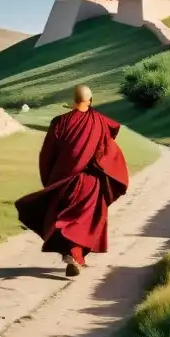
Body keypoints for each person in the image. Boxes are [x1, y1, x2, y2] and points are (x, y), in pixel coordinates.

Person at [15, 85, 129, 277]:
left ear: (74, 101)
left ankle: (70, 254)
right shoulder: (100, 122)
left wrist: (51, 180)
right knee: (82, 222)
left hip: (64, 181)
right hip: (90, 182)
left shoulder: (59, 122)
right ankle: (74, 256)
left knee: (65, 219)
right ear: (91, 101)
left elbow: (47, 155)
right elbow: (108, 153)